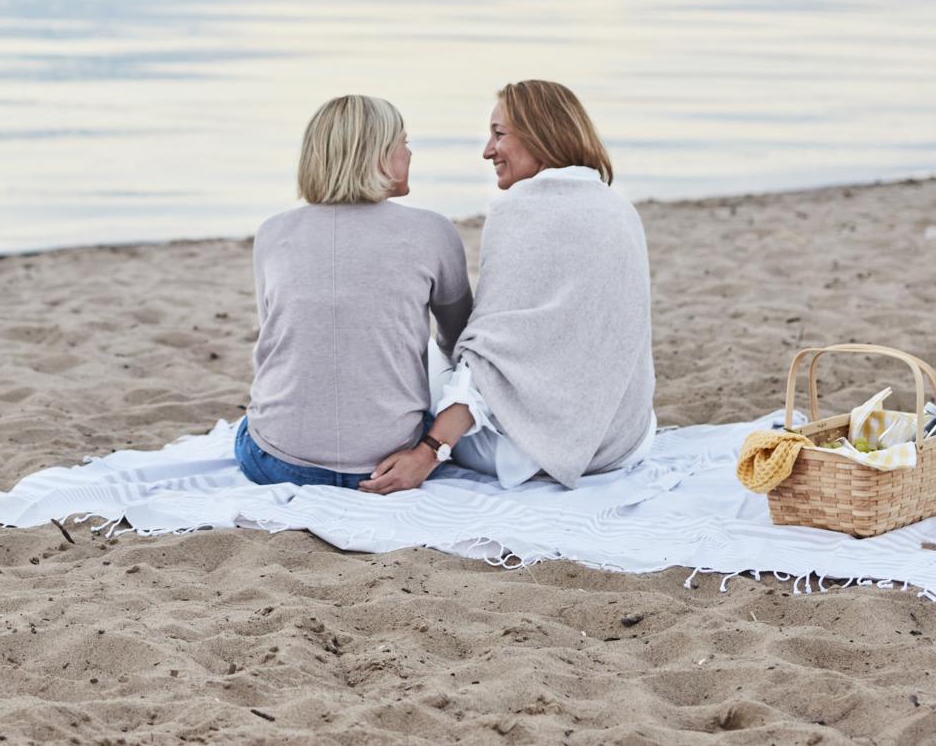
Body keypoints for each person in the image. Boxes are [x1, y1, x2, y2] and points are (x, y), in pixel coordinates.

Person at [360, 79, 655, 494]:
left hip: (532, 454)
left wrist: (429, 451)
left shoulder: (518, 207)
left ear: (542, 134)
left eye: (499, 134)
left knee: (415, 347)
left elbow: (488, 356)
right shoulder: (618, 207)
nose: (487, 150)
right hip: (624, 440)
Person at [236, 95, 473, 489]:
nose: (409, 154)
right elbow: (459, 338)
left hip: (277, 462)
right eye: (403, 142)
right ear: (379, 155)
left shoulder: (272, 232)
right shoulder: (433, 231)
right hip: (391, 461)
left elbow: (277, 335)